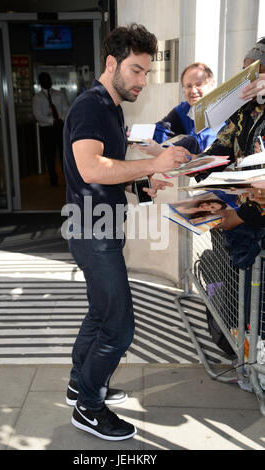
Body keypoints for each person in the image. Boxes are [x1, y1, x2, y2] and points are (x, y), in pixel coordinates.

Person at [63, 23, 194, 441]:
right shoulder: (91, 106)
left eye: (146, 73)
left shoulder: (111, 107)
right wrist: (153, 165)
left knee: (100, 313)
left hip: (95, 226)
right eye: (136, 71)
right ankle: (89, 406)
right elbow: (90, 168)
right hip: (91, 231)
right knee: (119, 327)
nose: (142, 81)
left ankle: (78, 384)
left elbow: (106, 175)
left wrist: (140, 183)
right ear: (112, 63)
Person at [199, 38, 265, 231]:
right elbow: (223, 146)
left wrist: (241, 216)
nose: (249, 78)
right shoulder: (244, 109)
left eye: (258, 71)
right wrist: (195, 163)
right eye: (246, 70)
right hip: (244, 211)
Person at [153, 62, 222, 152]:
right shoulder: (184, 110)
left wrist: (161, 151)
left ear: (212, 85)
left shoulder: (219, 109)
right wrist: (135, 137)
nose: (193, 91)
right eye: (188, 86)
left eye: (198, 84)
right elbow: (162, 130)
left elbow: (197, 142)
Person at [32, 72, 69, 186]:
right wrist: (52, 121)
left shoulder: (59, 94)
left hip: (60, 127)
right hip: (47, 129)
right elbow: (37, 114)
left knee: (64, 154)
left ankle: (67, 178)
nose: (47, 81)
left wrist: (61, 119)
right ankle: (53, 178)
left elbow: (66, 108)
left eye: (48, 79)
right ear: (40, 82)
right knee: (50, 155)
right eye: (44, 80)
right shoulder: (37, 98)